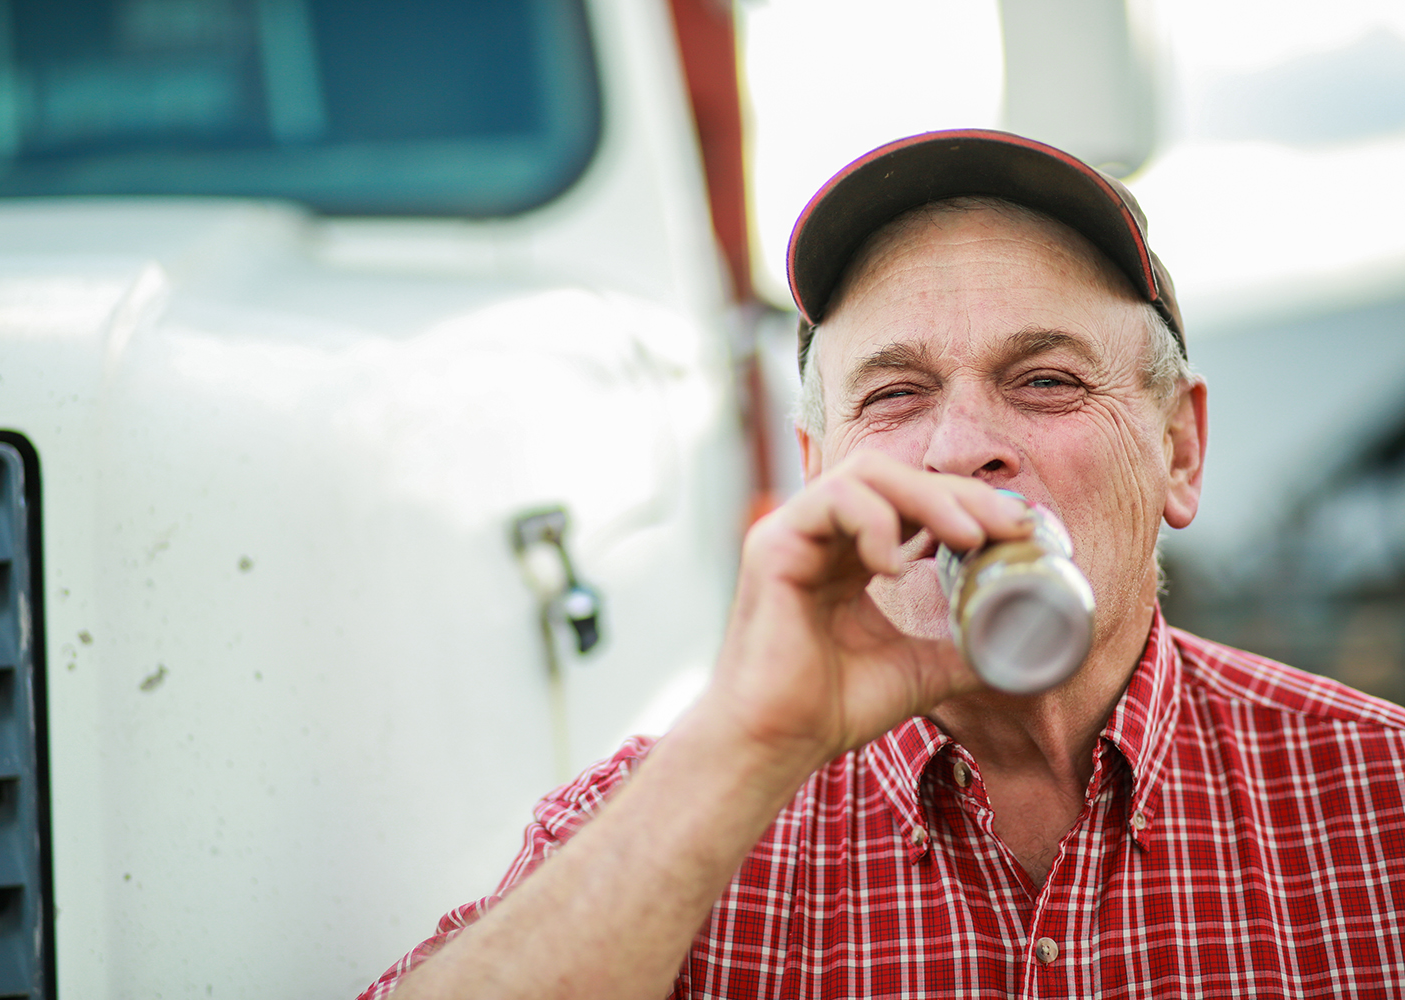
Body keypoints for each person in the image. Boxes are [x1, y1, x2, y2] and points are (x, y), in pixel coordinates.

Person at [359, 129, 1405, 999]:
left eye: (1044, 380)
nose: (960, 448)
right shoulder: (663, 822)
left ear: (1179, 449)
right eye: (894, 396)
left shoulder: (1380, 797)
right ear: (821, 473)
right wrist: (747, 745)